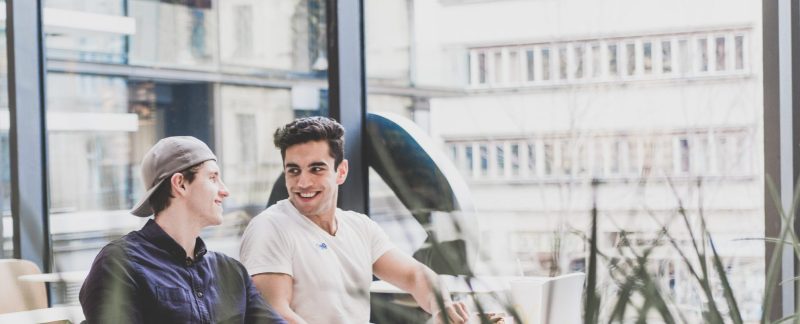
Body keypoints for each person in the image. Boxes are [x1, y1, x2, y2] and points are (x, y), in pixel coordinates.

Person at [239, 117, 485, 324]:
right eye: (293, 170)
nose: (303, 183)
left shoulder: (359, 226)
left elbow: (414, 275)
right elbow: (274, 315)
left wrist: (441, 307)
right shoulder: (270, 227)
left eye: (316, 169)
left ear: (341, 171)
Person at [80, 136, 286, 324]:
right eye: (213, 178)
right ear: (180, 184)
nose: (225, 190)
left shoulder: (231, 272)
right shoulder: (119, 264)